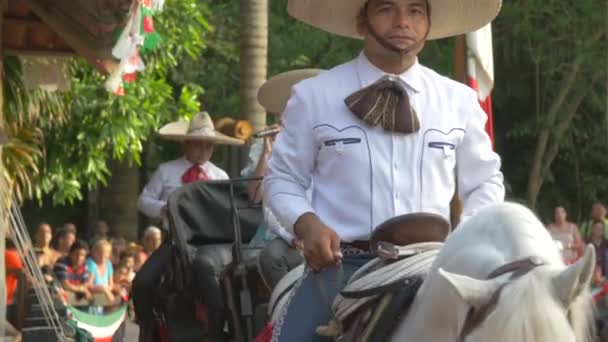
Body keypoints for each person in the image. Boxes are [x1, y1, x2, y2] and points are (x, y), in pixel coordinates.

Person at [263, 0, 505, 340]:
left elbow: (486, 182)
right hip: (342, 268)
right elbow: (282, 178)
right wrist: (308, 224)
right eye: (387, 9)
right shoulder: (313, 96)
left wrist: (465, 237)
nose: (403, 21)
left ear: (428, 25)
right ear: (363, 22)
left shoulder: (459, 101)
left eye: (416, 11)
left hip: (435, 266)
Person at [133, 111, 244, 342]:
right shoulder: (166, 170)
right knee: (142, 282)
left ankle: (225, 331)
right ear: (186, 144)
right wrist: (165, 208)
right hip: (174, 241)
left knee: (232, 283)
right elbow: (143, 201)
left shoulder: (220, 175)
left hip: (210, 245)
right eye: (197, 145)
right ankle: (146, 329)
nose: (203, 150)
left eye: (208, 146)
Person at [245, 70, 322, 289]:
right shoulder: (268, 146)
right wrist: (267, 153)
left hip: (323, 228)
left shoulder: (326, 141)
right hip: (281, 231)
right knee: (272, 257)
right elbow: (259, 197)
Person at [86, 239, 115, 303]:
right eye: (99, 253)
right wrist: (104, 289)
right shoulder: (91, 263)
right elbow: (89, 285)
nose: (102, 256)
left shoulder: (108, 264)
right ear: (93, 252)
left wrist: (106, 290)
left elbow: (111, 284)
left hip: (103, 302)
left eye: (105, 253)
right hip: (90, 302)